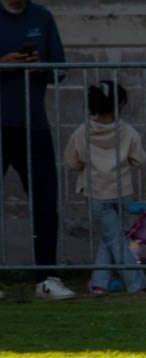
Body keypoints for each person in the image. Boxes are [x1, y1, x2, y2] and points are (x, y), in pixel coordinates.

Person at [0, 0, 75, 300]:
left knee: (46, 201)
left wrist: (41, 66)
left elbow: (61, 69)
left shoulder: (42, 16)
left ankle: (47, 279)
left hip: (34, 125)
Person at [63, 81, 146, 294]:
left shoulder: (82, 132)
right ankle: (123, 284)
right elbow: (138, 159)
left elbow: (72, 162)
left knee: (112, 238)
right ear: (119, 105)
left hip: (98, 194)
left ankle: (106, 284)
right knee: (114, 238)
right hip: (123, 192)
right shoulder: (128, 132)